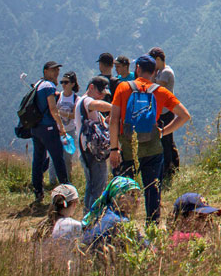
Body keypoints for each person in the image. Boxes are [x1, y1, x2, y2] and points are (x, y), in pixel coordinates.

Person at [108, 55, 191, 224]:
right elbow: (184, 116)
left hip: (128, 148)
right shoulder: (160, 91)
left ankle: (122, 226)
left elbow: (114, 119)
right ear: (154, 72)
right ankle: (152, 227)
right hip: (153, 148)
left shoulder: (123, 87)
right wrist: (163, 132)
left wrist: (114, 149)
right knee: (153, 191)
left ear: (137, 68)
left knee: (125, 190)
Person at [29, 61, 70, 205]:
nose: (56, 73)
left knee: (38, 159)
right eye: (53, 70)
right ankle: (67, 191)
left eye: (57, 70)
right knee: (58, 158)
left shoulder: (38, 85)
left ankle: (38, 192)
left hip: (36, 128)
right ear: (45, 71)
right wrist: (61, 126)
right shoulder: (49, 86)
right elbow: (53, 108)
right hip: (48, 128)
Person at [81, 176, 149, 254]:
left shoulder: (102, 212)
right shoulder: (120, 221)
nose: (137, 200)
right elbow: (146, 247)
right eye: (132, 195)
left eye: (139, 195)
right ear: (118, 196)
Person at [76, 76, 113, 212]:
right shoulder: (86, 100)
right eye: (100, 92)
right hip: (91, 153)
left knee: (92, 186)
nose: (102, 96)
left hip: (88, 151)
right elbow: (96, 105)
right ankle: (92, 219)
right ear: (91, 87)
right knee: (97, 187)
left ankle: (89, 217)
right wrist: (115, 107)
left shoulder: (85, 103)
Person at [149, 47, 179, 182]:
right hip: (163, 110)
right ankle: (173, 167)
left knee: (165, 140)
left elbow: (157, 86)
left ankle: (168, 169)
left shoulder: (166, 72)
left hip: (166, 111)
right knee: (167, 140)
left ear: (158, 60)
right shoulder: (161, 71)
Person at [49, 71, 79, 187]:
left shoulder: (76, 98)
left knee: (67, 157)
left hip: (70, 131)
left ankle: (67, 180)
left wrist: (60, 113)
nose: (63, 84)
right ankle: (52, 181)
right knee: (54, 156)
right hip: (57, 130)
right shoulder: (57, 96)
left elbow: (74, 115)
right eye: (62, 82)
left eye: (66, 82)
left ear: (72, 84)